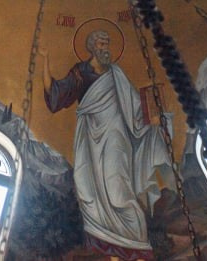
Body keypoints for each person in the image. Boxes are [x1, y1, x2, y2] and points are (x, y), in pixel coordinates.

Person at [41, 29, 171, 260]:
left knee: (117, 189)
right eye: (101, 43)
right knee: (88, 187)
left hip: (117, 137)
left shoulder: (116, 73)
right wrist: (44, 62)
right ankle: (111, 244)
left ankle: (138, 241)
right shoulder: (81, 72)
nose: (105, 48)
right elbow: (57, 95)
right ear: (92, 47)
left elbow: (136, 108)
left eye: (107, 43)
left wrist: (156, 114)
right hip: (90, 138)